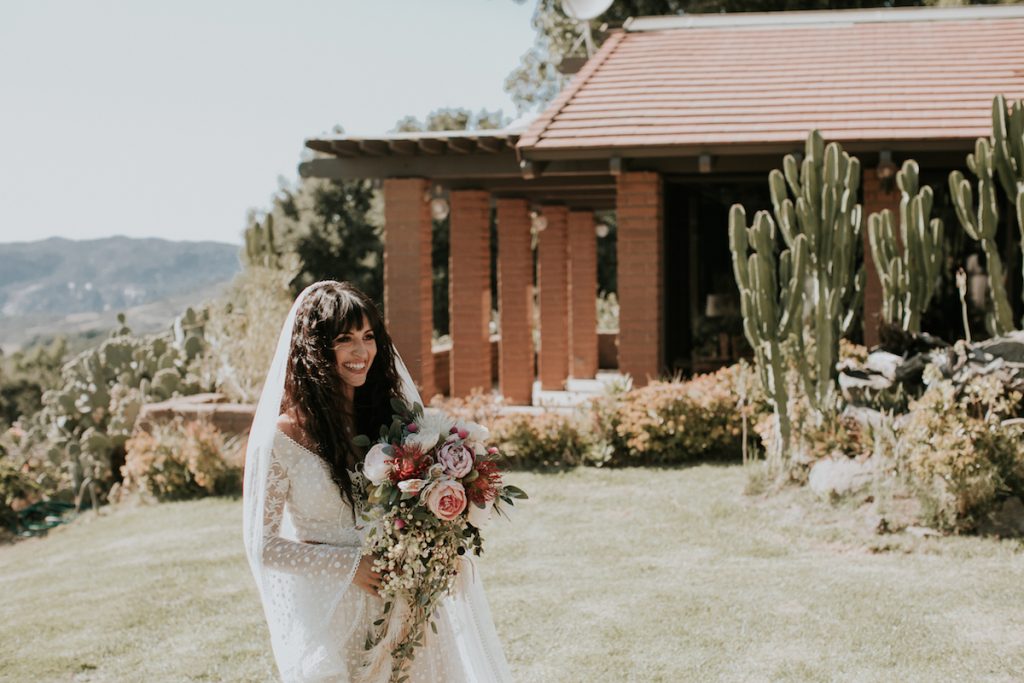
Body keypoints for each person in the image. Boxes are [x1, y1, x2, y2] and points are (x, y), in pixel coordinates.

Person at [242, 281, 513, 683]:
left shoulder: (392, 422)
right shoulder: (281, 439)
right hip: (332, 613)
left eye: (368, 337)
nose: (361, 352)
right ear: (315, 348)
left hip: (403, 607)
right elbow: (262, 545)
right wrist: (349, 566)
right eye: (345, 339)